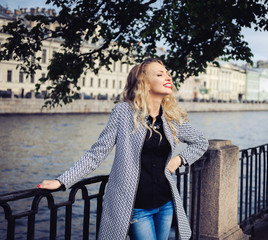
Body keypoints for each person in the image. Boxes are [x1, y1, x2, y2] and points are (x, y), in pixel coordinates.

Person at [38, 58, 209, 240]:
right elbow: (96, 154)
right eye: (159, 74)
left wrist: (178, 160)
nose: (168, 77)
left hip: (165, 203)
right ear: (144, 82)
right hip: (136, 207)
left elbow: (201, 141)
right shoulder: (123, 113)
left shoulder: (170, 117)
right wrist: (62, 181)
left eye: (167, 73)